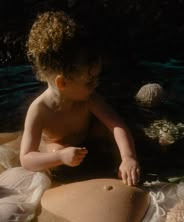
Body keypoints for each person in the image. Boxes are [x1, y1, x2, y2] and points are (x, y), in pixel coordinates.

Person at [20, 11, 140, 186]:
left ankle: (120, 168)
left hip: (88, 141)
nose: (96, 85)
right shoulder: (40, 110)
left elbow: (117, 125)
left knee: (106, 129)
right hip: (63, 152)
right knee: (57, 148)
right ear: (62, 83)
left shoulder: (89, 99)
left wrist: (128, 157)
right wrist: (60, 157)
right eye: (89, 81)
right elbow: (26, 158)